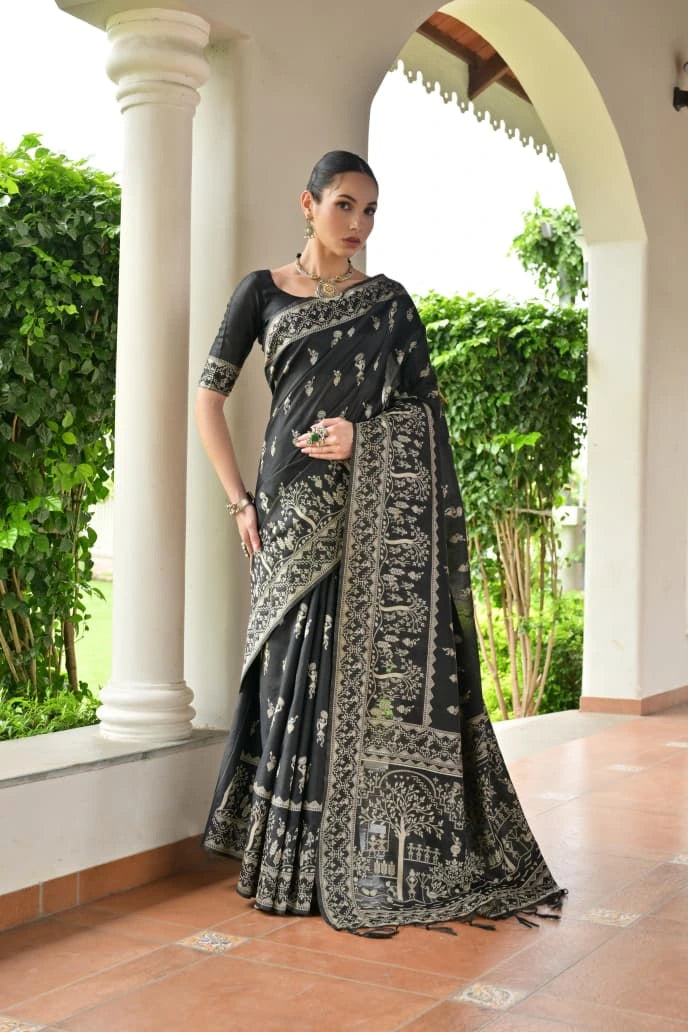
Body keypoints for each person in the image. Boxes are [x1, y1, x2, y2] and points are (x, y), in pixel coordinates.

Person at [196, 150, 565, 935]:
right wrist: (238, 502)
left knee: (346, 685)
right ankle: (283, 863)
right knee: (284, 678)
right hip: (285, 510)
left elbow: (427, 415)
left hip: (362, 512)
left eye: (370, 211)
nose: (358, 224)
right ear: (308, 204)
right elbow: (207, 399)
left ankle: (345, 863)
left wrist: (364, 439)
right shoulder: (261, 292)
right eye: (345, 205)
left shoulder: (389, 304)